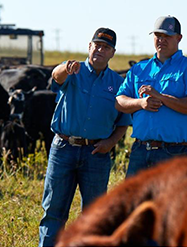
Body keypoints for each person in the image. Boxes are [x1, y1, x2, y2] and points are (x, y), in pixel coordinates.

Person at [38, 27, 132, 247]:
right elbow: (56, 77)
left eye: (106, 47)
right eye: (97, 45)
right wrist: (65, 68)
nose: (100, 49)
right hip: (63, 148)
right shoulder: (73, 71)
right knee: (54, 210)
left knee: (94, 214)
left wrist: (110, 143)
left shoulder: (118, 84)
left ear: (112, 53)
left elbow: (123, 122)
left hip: (96, 153)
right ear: (89, 47)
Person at [115, 15, 187, 178]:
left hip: (174, 153)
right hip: (140, 151)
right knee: (135, 203)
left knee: (172, 203)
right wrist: (141, 103)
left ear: (179, 38)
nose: (161, 40)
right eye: (158, 36)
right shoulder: (139, 69)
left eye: (167, 36)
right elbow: (119, 101)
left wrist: (161, 97)